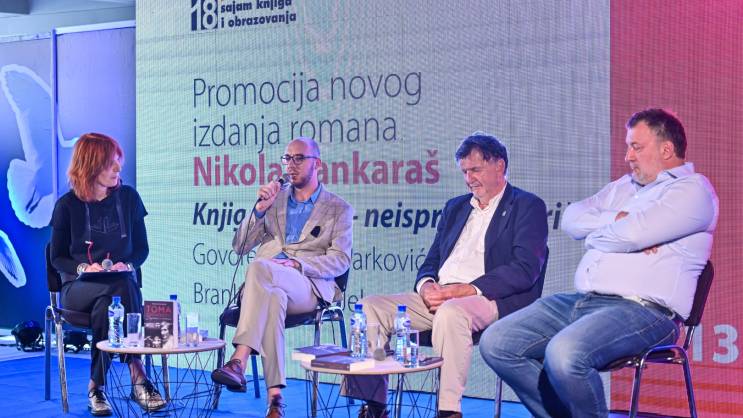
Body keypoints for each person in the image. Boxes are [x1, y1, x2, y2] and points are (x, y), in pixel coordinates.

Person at [479, 108, 719, 418]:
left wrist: (600, 235)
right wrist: (620, 221)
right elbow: (572, 218)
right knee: (497, 342)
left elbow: (632, 234)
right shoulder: (624, 187)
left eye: (636, 146)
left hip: (646, 313)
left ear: (666, 149)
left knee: (565, 353)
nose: (627, 156)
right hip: (584, 302)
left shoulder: (693, 190)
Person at [347, 133, 549, 418]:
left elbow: (525, 269)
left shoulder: (527, 206)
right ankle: (374, 404)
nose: (469, 179)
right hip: (442, 294)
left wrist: (463, 290)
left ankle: (448, 410)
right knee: (370, 307)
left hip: (488, 298)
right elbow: (431, 260)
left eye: (475, 170)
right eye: (464, 172)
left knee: (451, 312)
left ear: (500, 165)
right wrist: (426, 285)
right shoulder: (456, 207)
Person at [210, 137, 353, 418]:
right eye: (287, 158)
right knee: (272, 297)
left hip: (308, 286)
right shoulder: (275, 201)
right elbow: (240, 246)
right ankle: (275, 400)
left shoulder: (338, 208)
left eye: (299, 158)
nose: (291, 165)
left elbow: (340, 260)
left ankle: (239, 359)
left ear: (317, 164)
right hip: (268, 285)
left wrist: (298, 264)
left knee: (259, 267)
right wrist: (259, 210)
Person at [50, 133, 166, 416]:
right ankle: (138, 376)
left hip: (116, 288)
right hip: (78, 288)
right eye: (111, 163)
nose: (118, 168)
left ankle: (96, 388)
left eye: (118, 162)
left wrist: (128, 265)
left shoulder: (129, 198)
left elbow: (141, 249)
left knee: (110, 303)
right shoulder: (67, 206)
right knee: (122, 289)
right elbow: (57, 258)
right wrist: (83, 268)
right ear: (91, 166)